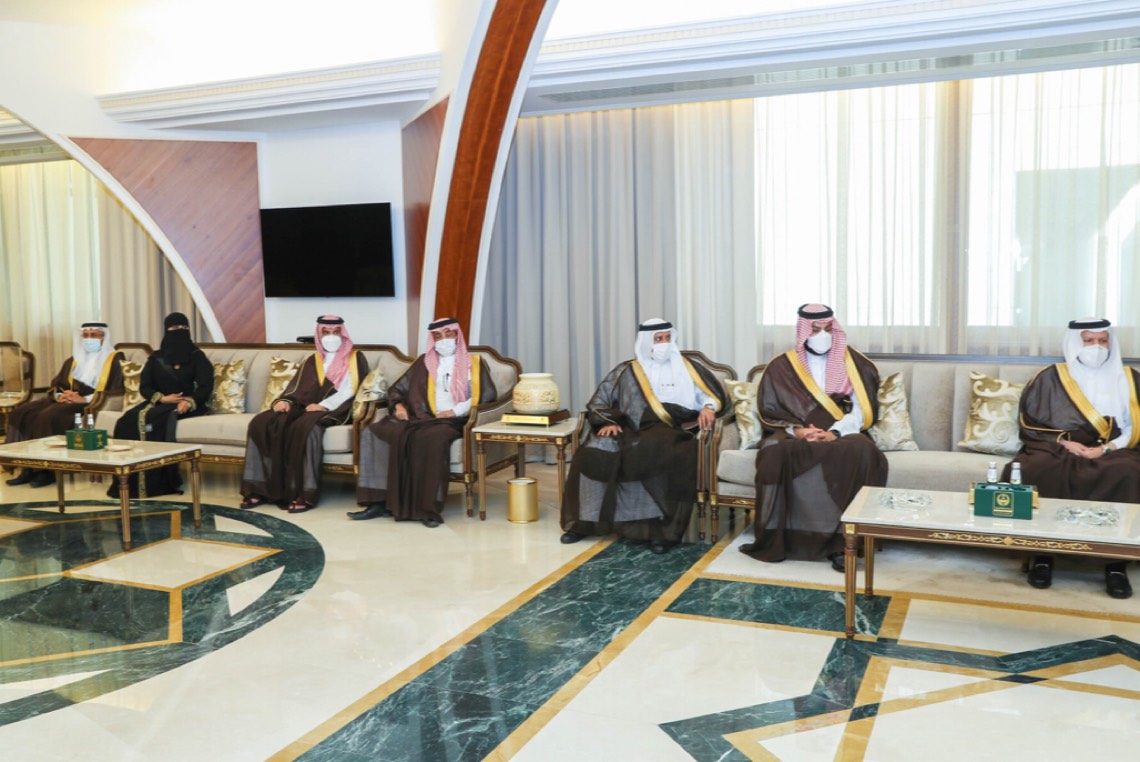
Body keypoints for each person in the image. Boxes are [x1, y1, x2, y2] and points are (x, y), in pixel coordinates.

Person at [560, 318, 729, 554]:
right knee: (591, 452)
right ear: (646, 342)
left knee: (658, 450)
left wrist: (708, 407)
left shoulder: (688, 367)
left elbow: (711, 396)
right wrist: (608, 422)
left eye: (667, 338)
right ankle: (584, 523)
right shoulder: (627, 370)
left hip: (673, 427)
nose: (664, 343)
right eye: (658, 339)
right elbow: (600, 401)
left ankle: (660, 531)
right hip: (630, 425)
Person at [740, 304, 888, 570]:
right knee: (773, 452)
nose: (823, 335)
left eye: (828, 329)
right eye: (815, 329)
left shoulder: (855, 364)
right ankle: (780, 539)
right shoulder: (782, 366)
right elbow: (771, 409)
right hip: (796, 431)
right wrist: (798, 431)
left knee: (862, 452)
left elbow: (860, 409)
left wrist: (834, 433)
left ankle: (845, 544)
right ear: (803, 331)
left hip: (842, 430)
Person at [1005, 318, 1140, 599]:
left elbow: (1134, 428)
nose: (1096, 347)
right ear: (1075, 342)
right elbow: (1030, 422)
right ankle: (1043, 556)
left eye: (1102, 341)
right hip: (1061, 446)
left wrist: (1106, 449)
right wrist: (1066, 444)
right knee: (1037, 467)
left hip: (1112, 448)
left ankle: (1115, 563)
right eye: (1088, 341)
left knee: (1127, 472)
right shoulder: (1051, 376)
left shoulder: (1129, 378)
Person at [348, 318, 496, 528]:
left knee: (432, 439)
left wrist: (454, 411)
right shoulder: (423, 363)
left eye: (448, 334)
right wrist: (398, 406)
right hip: (420, 417)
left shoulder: (475, 363)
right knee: (373, 431)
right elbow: (397, 389)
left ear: (457, 335)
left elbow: (485, 396)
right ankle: (377, 503)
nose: (443, 340)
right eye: (438, 336)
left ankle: (427, 508)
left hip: (453, 420)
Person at [240, 316, 368, 513]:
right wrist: (286, 402)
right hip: (306, 407)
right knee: (262, 422)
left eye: (336, 332)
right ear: (319, 335)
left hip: (335, 409)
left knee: (305, 429)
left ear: (343, 334)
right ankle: (259, 489)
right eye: (326, 332)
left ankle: (302, 493)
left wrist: (324, 405)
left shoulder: (355, 358)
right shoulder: (313, 359)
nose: (331, 336)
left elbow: (351, 390)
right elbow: (298, 389)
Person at [6, 322, 124, 487]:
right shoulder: (74, 359)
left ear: (104, 337)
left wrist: (84, 399)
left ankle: (47, 471)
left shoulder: (115, 360)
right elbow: (57, 384)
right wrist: (61, 395)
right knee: (21, 412)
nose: (89, 339)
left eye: (94, 335)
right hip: (65, 402)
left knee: (47, 416)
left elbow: (116, 389)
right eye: (86, 335)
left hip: (90, 404)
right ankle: (27, 467)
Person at [110, 312, 213, 498]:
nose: (180, 331)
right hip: (159, 402)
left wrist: (189, 402)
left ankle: (157, 482)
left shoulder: (197, 356)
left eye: (184, 328)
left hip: (185, 405)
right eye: (175, 328)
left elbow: (205, 386)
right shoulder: (156, 358)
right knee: (126, 420)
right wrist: (162, 398)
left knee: (153, 421)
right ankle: (128, 481)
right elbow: (145, 387)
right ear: (166, 330)